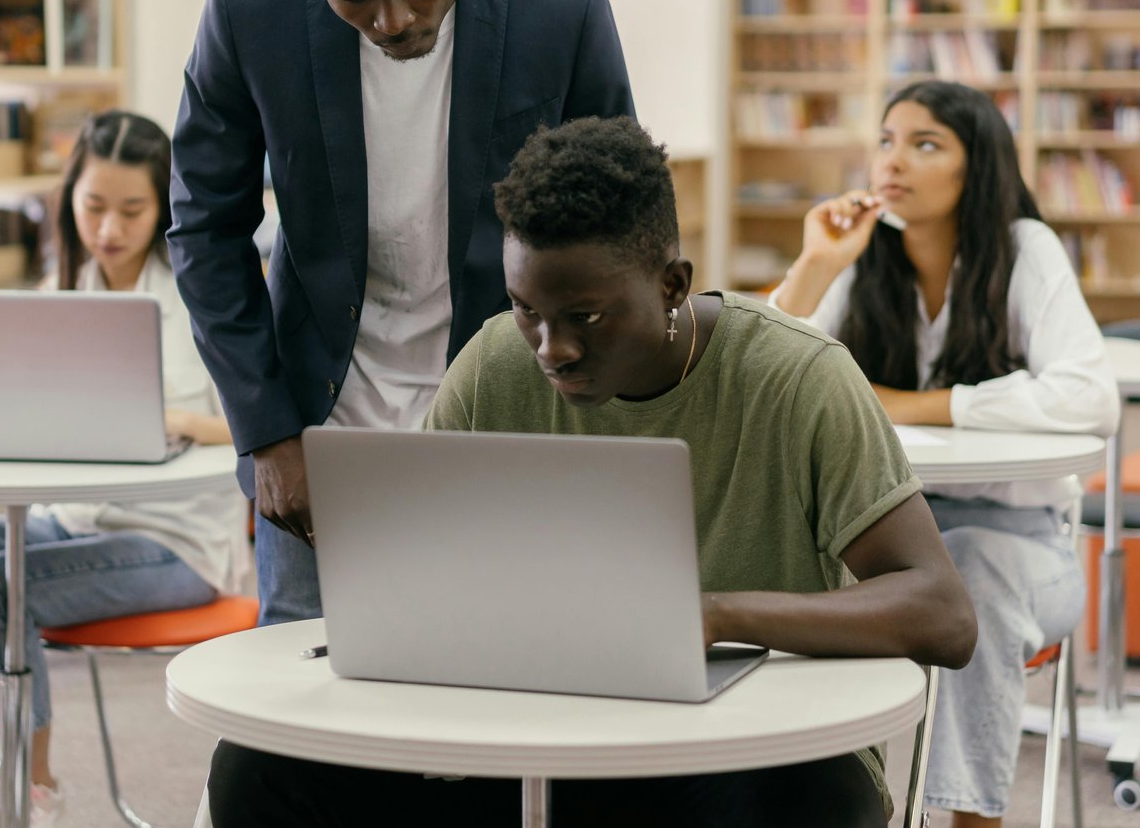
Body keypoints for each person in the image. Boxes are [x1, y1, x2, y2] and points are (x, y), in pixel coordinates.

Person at [208, 116, 977, 828]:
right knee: (260, 769)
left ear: (673, 284)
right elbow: (428, 579)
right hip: (527, 744)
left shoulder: (798, 376)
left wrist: (712, 616)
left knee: (815, 799)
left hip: (737, 754)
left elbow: (941, 614)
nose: (552, 348)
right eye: (527, 309)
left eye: (588, 316)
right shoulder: (493, 366)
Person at [169, 0, 635, 625]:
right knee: (306, 709)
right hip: (318, 426)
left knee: (502, 672)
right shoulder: (249, 1)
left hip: (508, 406)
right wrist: (266, 433)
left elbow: (618, 211)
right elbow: (205, 225)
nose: (394, 21)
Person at [0, 112, 248, 827]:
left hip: (177, 542)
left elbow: (256, 426)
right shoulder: (66, 292)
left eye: (132, 209)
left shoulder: (204, 295)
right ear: (70, 203)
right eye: (93, 206)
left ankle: (34, 787)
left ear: (165, 206)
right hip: (71, 518)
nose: (109, 228)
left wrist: (177, 420)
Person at [768, 80, 1120, 827]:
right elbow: (759, 370)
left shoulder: (1026, 250)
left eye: (926, 144)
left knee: (972, 573)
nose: (894, 159)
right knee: (776, 570)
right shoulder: (864, 258)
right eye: (887, 140)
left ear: (977, 167)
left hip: (1023, 552)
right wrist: (817, 264)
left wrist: (914, 402)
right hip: (885, 546)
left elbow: (1091, 395)